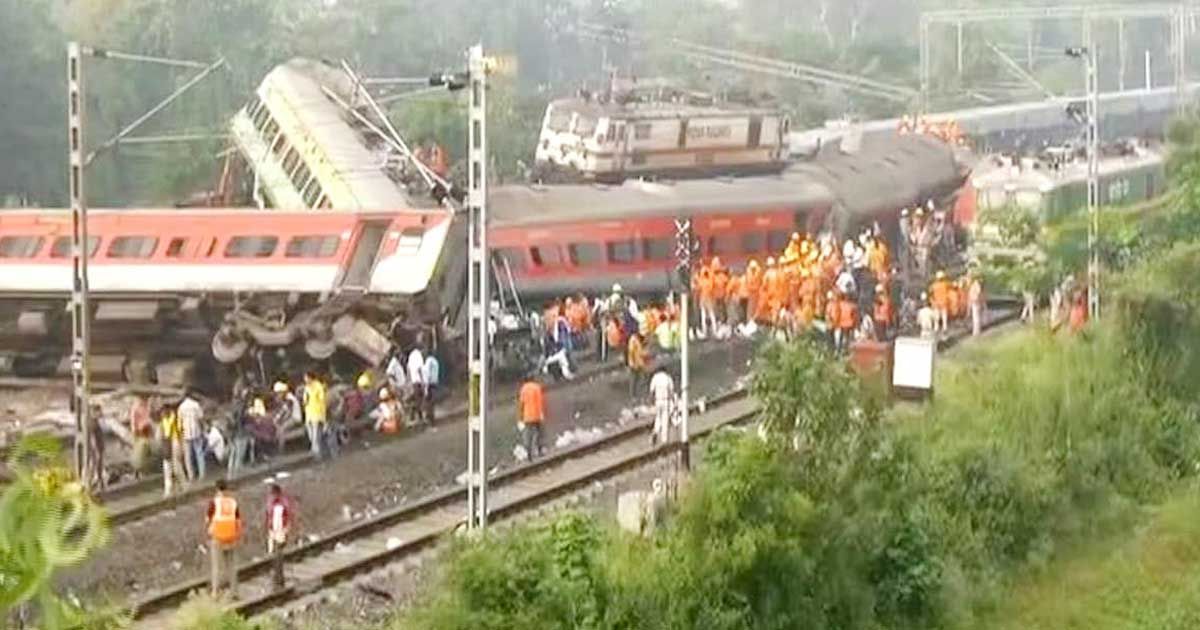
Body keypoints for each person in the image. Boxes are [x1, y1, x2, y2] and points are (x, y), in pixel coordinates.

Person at [207, 479, 243, 598]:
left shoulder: (214, 503)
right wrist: (238, 535)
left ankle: (215, 593)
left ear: (217, 490)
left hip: (218, 538)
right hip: (232, 538)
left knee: (217, 567)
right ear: (227, 489)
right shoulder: (233, 502)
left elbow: (208, 519)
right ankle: (235, 592)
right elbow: (238, 521)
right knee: (232, 566)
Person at [264, 483, 294, 589]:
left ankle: (278, 579)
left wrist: (286, 530)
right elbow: (268, 517)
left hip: (280, 532)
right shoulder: (274, 502)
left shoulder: (280, 503)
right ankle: (277, 578)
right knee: (275, 555)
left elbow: (288, 517)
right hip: (274, 532)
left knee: (277, 555)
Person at [178, 392, 206, 482]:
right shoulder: (195, 405)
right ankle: (202, 474)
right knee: (199, 453)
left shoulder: (181, 407)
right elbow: (200, 418)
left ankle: (191, 475)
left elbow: (180, 422)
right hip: (196, 431)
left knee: (188, 456)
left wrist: (180, 434)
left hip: (186, 433)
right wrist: (203, 429)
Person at [518, 375, 546, 461]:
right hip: (537, 414)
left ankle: (529, 454)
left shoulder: (523, 389)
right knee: (539, 434)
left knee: (528, 436)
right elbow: (541, 401)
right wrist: (542, 413)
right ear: (533, 379)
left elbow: (521, 404)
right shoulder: (537, 387)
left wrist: (520, 417)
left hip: (527, 416)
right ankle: (540, 451)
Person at [159, 404, 184, 498]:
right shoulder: (163, 421)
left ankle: (182, 485)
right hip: (168, 445)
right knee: (167, 469)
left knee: (177, 468)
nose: (163, 414)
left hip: (175, 443)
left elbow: (180, 433)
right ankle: (168, 490)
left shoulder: (175, 419)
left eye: (164, 411)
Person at [303, 372, 328, 460]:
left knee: (315, 436)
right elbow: (305, 402)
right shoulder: (306, 388)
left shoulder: (318, 387)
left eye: (306, 378)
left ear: (310, 378)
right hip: (309, 414)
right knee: (311, 436)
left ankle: (318, 456)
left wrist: (323, 417)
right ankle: (318, 452)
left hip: (317, 414)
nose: (305, 380)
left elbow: (322, 402)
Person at [648, 368, 676, 446]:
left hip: (658, 401)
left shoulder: (655, 377)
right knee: (665, 420)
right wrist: (674, 402)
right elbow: (671, 392)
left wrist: (651, 402)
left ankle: (655, 431)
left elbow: (651, 391)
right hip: (666, 401)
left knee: (658, 418)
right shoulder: (668, 378)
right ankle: (664, 440)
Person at [128, 394, 153, 479]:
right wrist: (134, 431)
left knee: (146, 450)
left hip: (146, 429)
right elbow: (133, 420)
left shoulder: (147, 405)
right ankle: (137, 471)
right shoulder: (136, 407)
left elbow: (149, 417)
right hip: (140, 431)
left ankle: (144, 469)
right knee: (138, 451)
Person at [626, 331, 648, 403]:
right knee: (634, 381)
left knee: (642, 380)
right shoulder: (633, 339)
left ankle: (641, 396)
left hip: (640, 363)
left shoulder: (640, 339)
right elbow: (631, 351)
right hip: (634, 363)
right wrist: (632, 362)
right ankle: (633, 396)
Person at [406, 346, 426, 423]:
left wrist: (409, 381)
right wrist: (423, 381)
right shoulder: (418, 355)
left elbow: (408, 369)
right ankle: (420, 416)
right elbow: (419, 369)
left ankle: (415, 416)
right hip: (419, 381)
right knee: (421, 399)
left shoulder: (411, 356)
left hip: (414, 381)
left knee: (417, 399)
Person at [422, 351, 440, 423]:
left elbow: (427, 374)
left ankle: (430, 417)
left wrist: (425, 386)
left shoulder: (429, 361)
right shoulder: (435, 361)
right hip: (434, 382)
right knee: (432, 401)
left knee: (428, 401)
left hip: (429, 383)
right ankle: (431, 416)